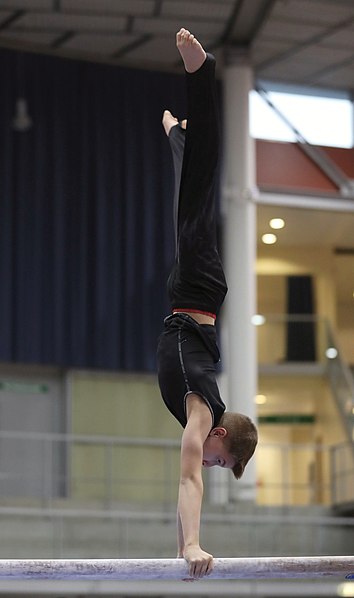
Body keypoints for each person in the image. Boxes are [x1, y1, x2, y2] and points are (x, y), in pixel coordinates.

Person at [157, 29, 258, 580]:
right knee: (199, 191)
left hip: (199, 295)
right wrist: (196, 544)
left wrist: (180, 550)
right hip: (196, 292)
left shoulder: (204, 411)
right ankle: (203, 75)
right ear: (219, 435)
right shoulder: (201, 411)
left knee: (187, 204)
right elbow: (188, 478)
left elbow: (188, 481)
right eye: (220, 458)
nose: (209, 463)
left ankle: (180, 136)